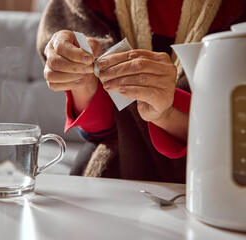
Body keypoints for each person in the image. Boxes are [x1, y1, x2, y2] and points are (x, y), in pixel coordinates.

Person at [36, 0, 246, 183]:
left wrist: (167, 113)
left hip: (214, 169)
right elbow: (98, 131)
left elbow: (232, 135)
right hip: (114, 163)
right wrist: (83, 83)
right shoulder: (89, 4)